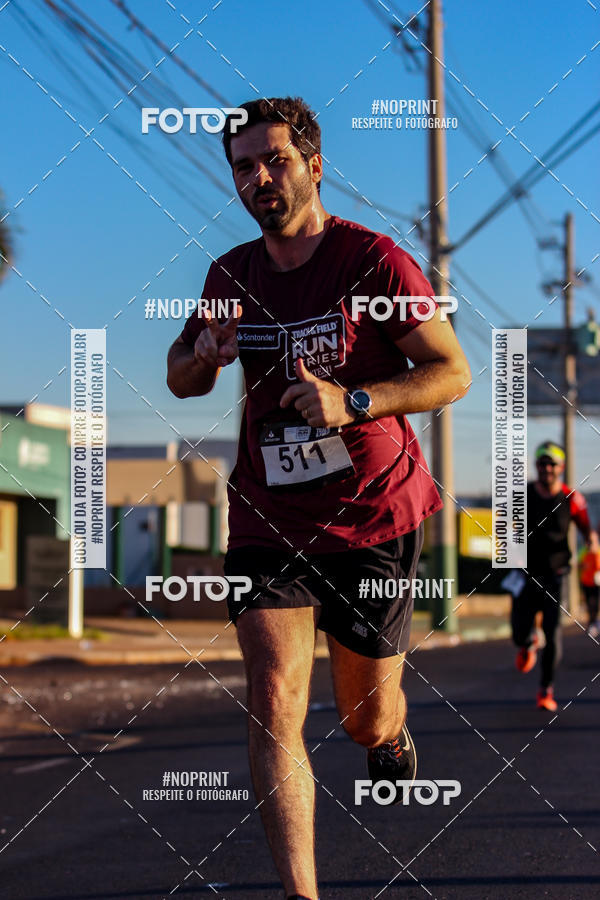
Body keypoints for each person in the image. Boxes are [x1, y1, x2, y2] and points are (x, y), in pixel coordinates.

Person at [167, 96, 471, 900]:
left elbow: (452, 371)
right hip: (268, 517)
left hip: (373, 516)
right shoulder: (231, 272)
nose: (258, 178)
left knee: (361, 718)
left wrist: (354, 401)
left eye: (274, 161)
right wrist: (202, 351)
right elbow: (181, 374)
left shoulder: (374, 263)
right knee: (273, 697)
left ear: (313, 165)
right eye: (243, 166)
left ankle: (392, 730)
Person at [511, 441, 597, 712]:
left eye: (552, 464)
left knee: (553, 632)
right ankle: (528, 643)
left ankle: (545, 690)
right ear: (536, 467)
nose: (547, 469)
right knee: (518, 629)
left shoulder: (572, 497)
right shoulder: (523, 495)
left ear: (561, 468)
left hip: (555, 574)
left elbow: (586, 527)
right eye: (542, 464)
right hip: (525, 574)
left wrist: (592, 542)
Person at [579, 529, 600, 638]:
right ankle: (592, 623)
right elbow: (580, 564)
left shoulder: (598, 552)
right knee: (589, 603)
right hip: (586, 582)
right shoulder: (584, 551)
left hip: (595, 583)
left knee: (594, 603)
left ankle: (594, 622)